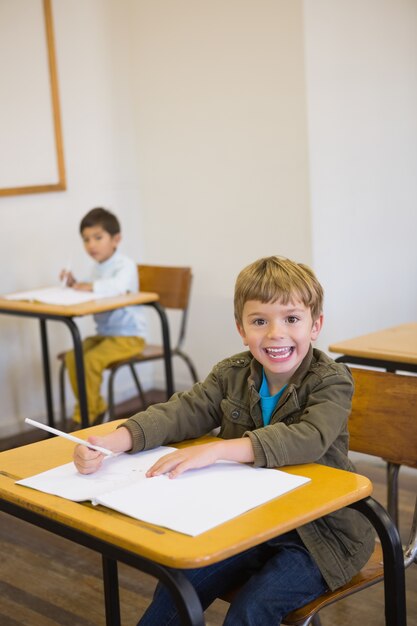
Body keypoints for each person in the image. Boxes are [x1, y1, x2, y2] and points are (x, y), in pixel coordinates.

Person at [73, 255, 375, 625]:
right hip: (250, 523)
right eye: (260, 321)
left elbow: (309, 438)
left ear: (316, 326)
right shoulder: (230, 374)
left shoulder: (332, 380)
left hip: (321, 537)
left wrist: (217, 449)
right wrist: (113, 441)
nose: (275, 333)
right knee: (178, 587)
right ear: (241, 329)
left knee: (251, 609)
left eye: (291, 319)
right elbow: (183, 410)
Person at [61, 207, 146, 426]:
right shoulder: (96, 269)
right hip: (105, 335)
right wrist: (73, 284)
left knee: (90, 360)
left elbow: (116, 288)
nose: (91, 245)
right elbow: (92, 290)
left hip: (129, 337)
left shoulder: (125, 265)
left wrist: (87, 286)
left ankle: (85, 416)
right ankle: (95, 407)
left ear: (116, 239)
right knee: (73, 357)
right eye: (86, 239)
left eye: (98, 237)